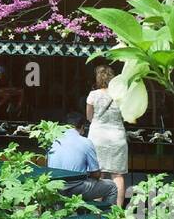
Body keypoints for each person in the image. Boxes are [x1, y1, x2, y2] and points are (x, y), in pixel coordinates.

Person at [47, 112, 118, 209]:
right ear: (82, 127)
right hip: (76, 189)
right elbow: (96, 174)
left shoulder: (53, 141)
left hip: (54, 188)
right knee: (112, 187)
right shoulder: (86, 142)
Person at [86, 63, 129, 207]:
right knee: (117, 175)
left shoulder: (93, 95)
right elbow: (126, 114)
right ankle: (117, 211)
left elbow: (89, 117)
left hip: (97, 137)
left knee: (99, 174)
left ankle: (96, 211)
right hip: (117, 136)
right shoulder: (120, 95)